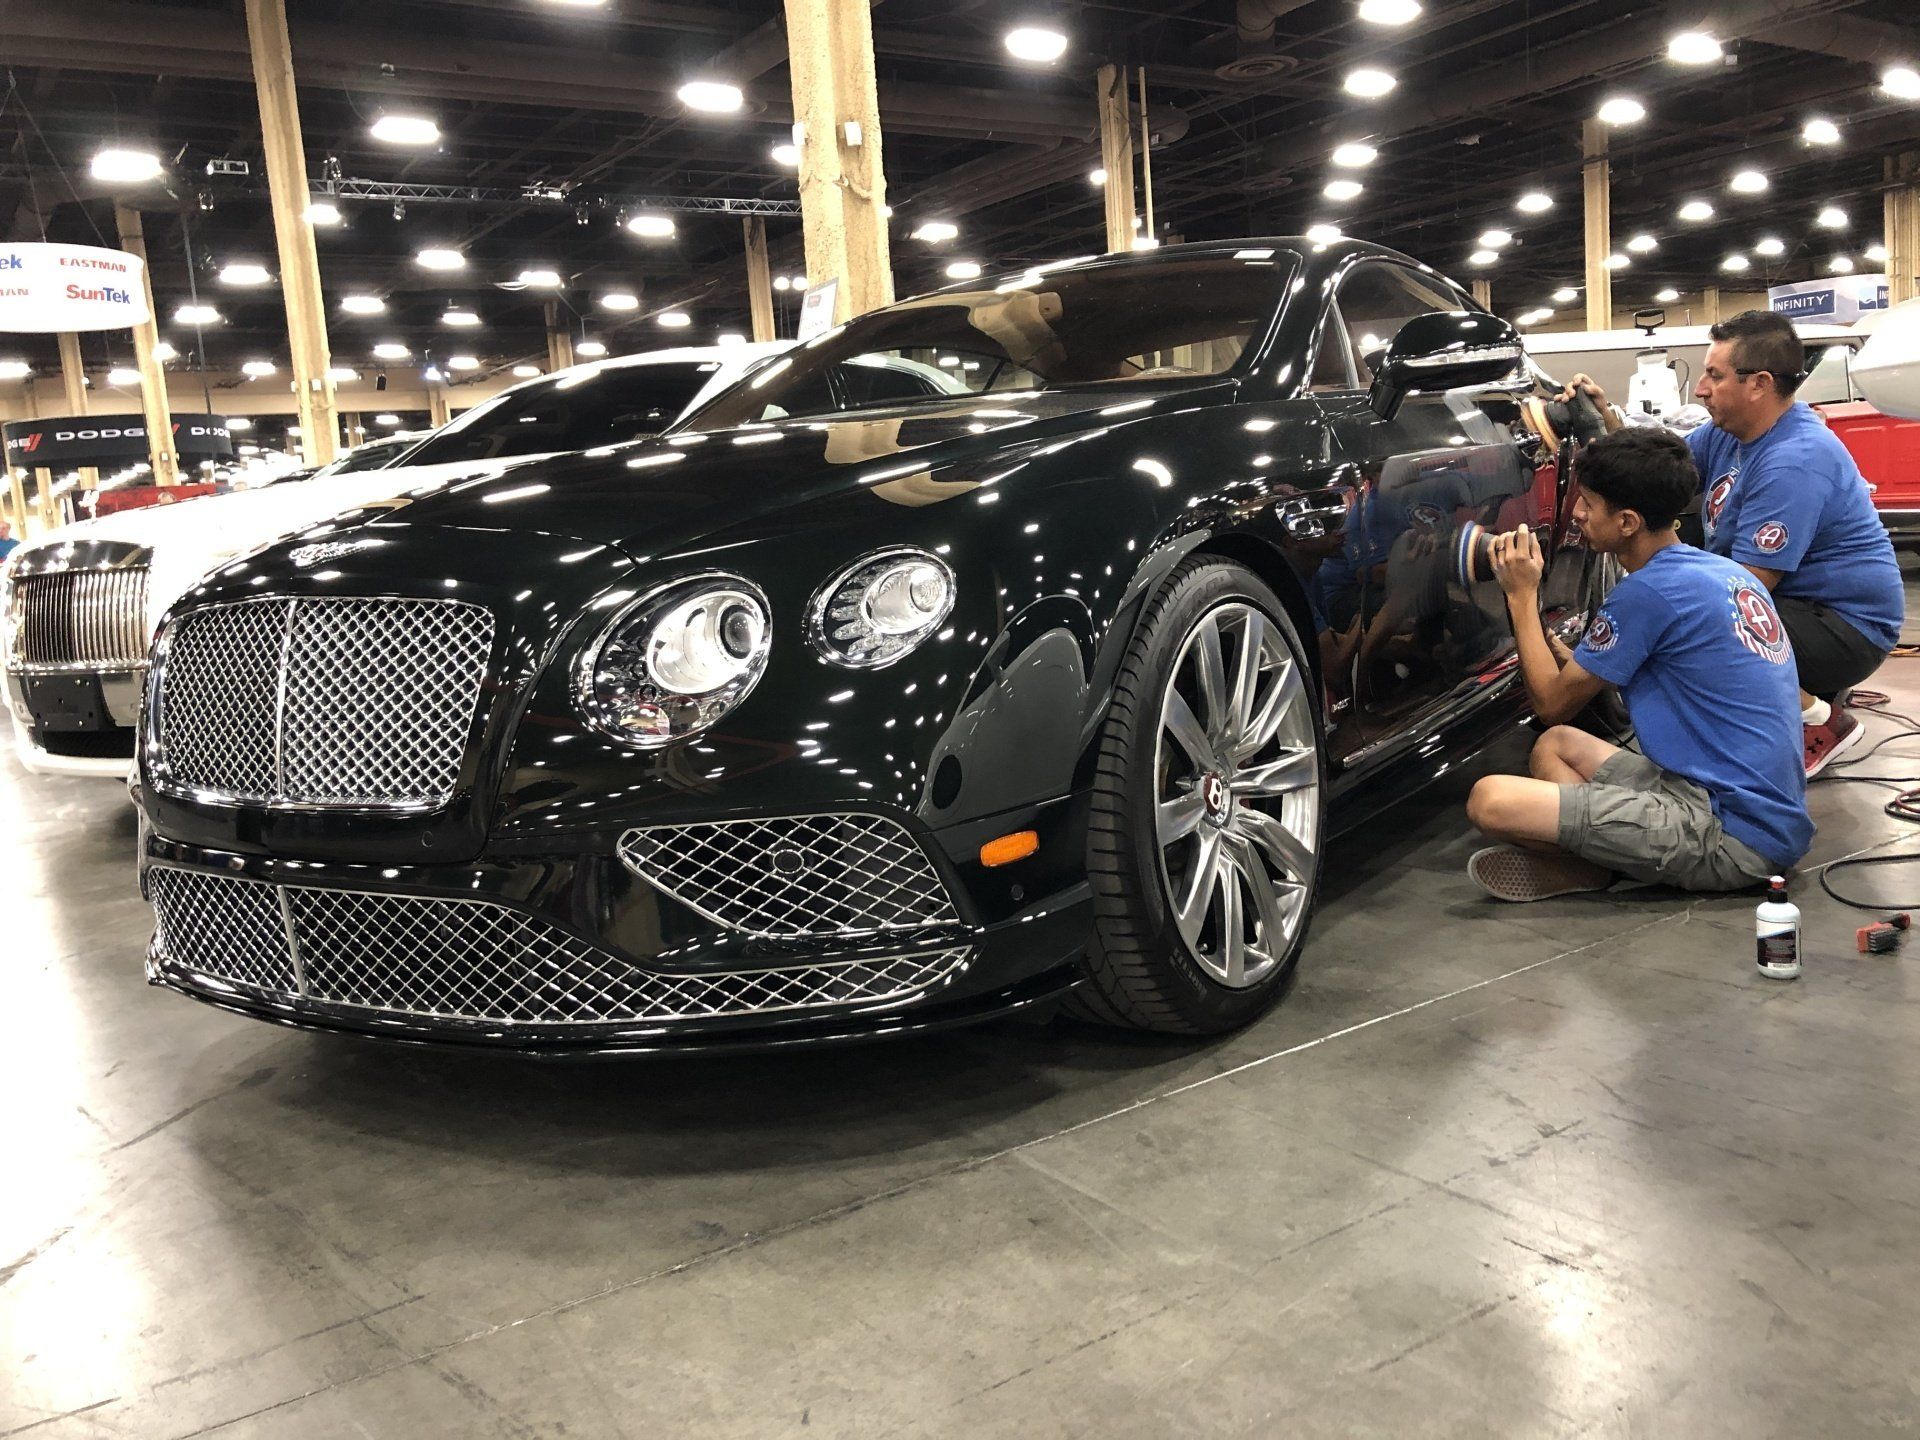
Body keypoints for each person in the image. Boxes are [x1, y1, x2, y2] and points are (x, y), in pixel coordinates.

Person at [1464, 427, 1811, 902]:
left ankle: (1592, 865)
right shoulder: (1716, 570)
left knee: (1492, 800)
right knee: (1557, 746)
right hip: (1750, 808)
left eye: (1587, 502)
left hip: (1731, 836)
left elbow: (1550, 703)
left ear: (1627, 521)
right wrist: (1577, 660)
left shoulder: (1646, 593)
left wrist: (1521, 595)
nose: (1577, 514)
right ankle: (1595, 866)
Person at [1564, 310, 1903, 777]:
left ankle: (1820, 723)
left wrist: (1649, 607)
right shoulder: (1734, 435)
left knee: (1690, 621)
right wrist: (1604, 415)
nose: (1701, 388)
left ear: (1759, 383)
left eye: (1714, 375)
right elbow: (1659, 469)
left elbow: (1746, 588)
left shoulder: (1794, 459)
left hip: (1843, 629)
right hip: (1801, 609)